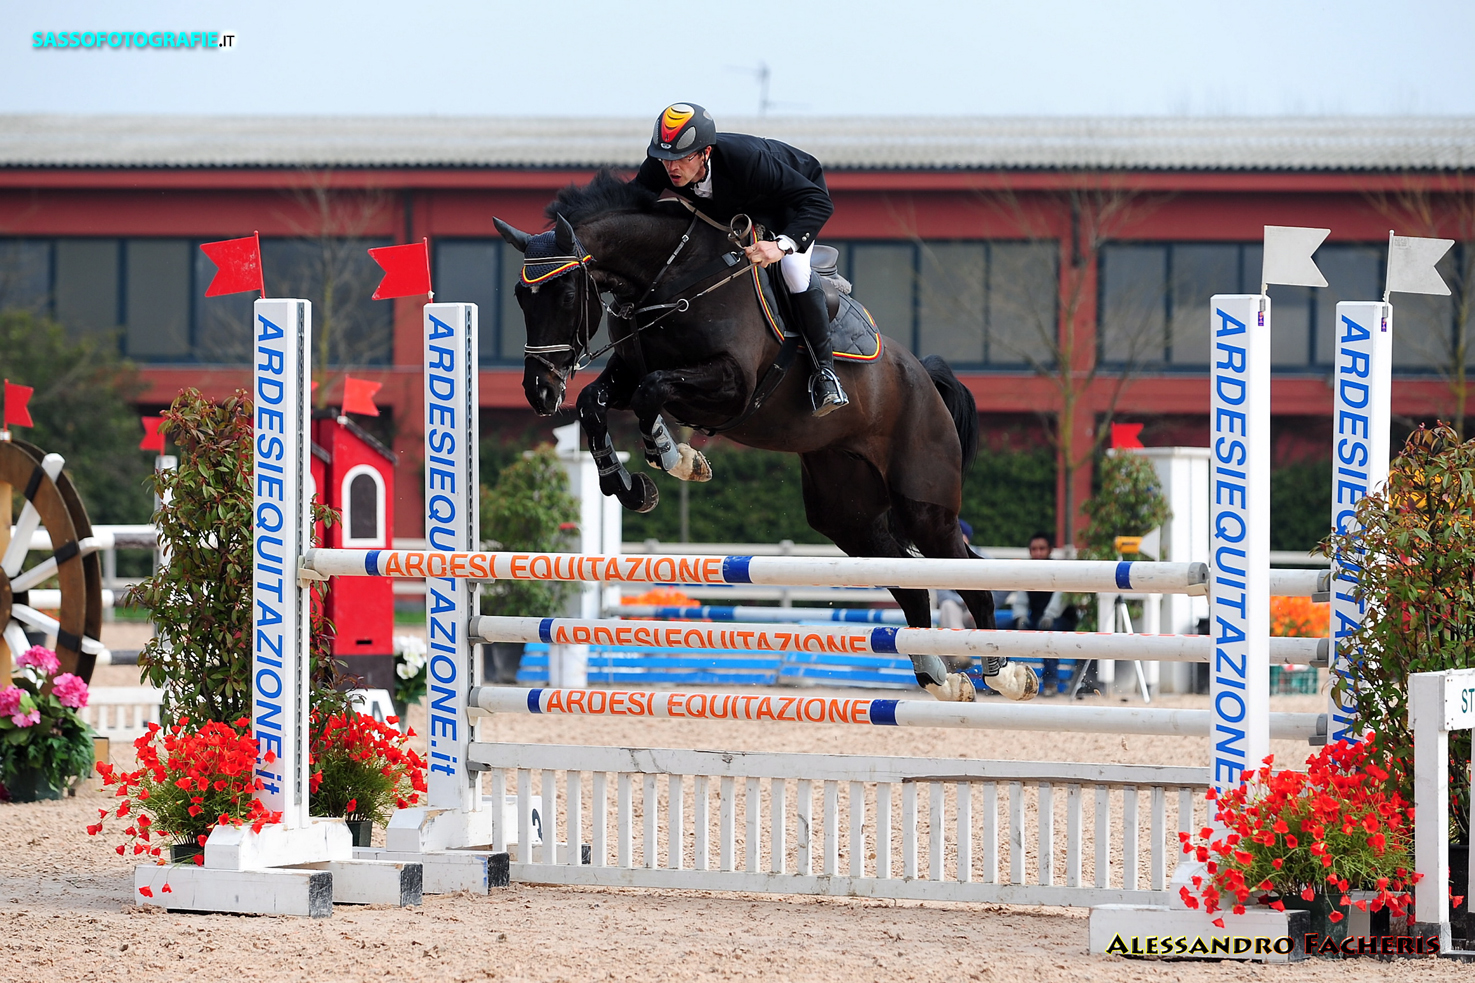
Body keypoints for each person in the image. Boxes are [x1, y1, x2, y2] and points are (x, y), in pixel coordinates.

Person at [633, 102, 848, 416]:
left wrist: (781, 245)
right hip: (736, 209)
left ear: (705, 153)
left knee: (793, 270)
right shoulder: (661, 165)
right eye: (665, 158)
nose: (671, 167)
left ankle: (825, 375)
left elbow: (818, 202)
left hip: (791, 203)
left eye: (681, 158)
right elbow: (630, 205)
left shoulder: (747, 161)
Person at [1008, 531, 1078, 696]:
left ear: (1050, 550)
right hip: (1036, 618)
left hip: (1061, 619)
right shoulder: (1027, 572)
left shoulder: (1058, 570)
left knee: (1049, 634)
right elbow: (1021, 599)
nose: (1038, 553)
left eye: (1042, 548)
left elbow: (1061, 596)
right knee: (1002, 629)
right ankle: (1003, 679)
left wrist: (1050, 615)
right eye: (1034, 549)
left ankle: (1050, 683)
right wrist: (1020, 616)